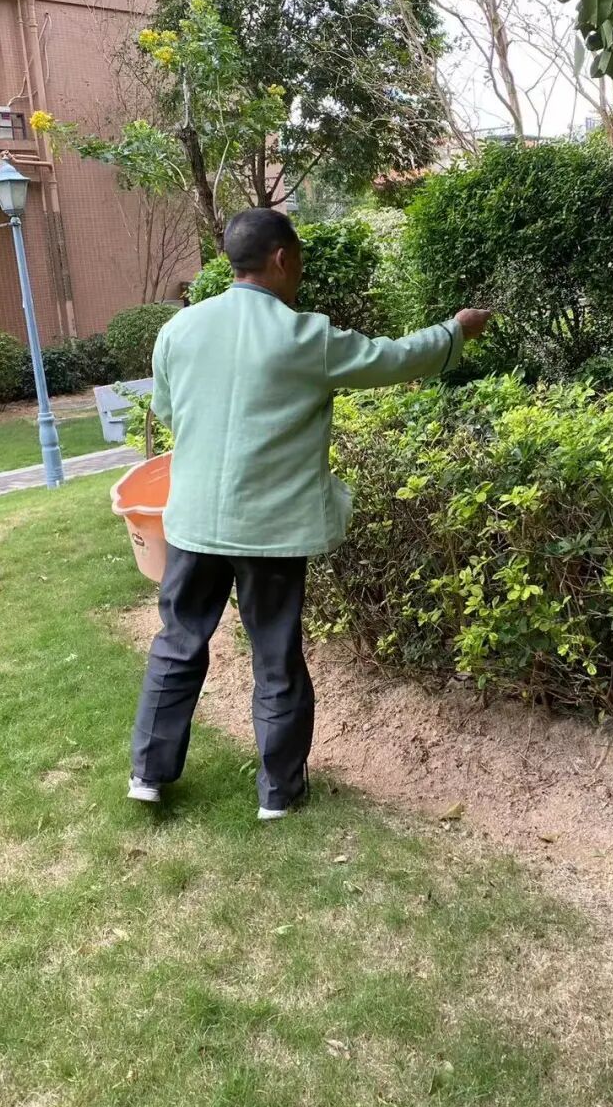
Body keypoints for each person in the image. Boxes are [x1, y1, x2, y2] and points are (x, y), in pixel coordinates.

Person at [129, 207, 491, 820]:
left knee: (178, 642)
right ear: (281, 258)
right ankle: (278, 793)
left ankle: (148, 773)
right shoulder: (306, 337)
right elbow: (396, 358)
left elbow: (168, 410)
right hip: (269, 530)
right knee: (275, 657)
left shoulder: (179, 329)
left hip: (192, 521)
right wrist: (455, 332)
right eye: (296, 259)